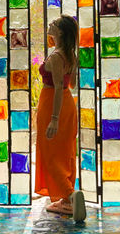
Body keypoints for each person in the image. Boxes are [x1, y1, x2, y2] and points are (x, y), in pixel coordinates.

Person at [34, 14, 86, 222]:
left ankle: (70, 195)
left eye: (54, 24)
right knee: (65, 151)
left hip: (53, 105)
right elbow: (70, 84)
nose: (49, 25)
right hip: (68, 104)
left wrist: (54, 119)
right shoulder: (71, 55)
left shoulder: (56, 57)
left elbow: (57, 87)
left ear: (61, 32)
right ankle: (66, 200)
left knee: (51, 153)